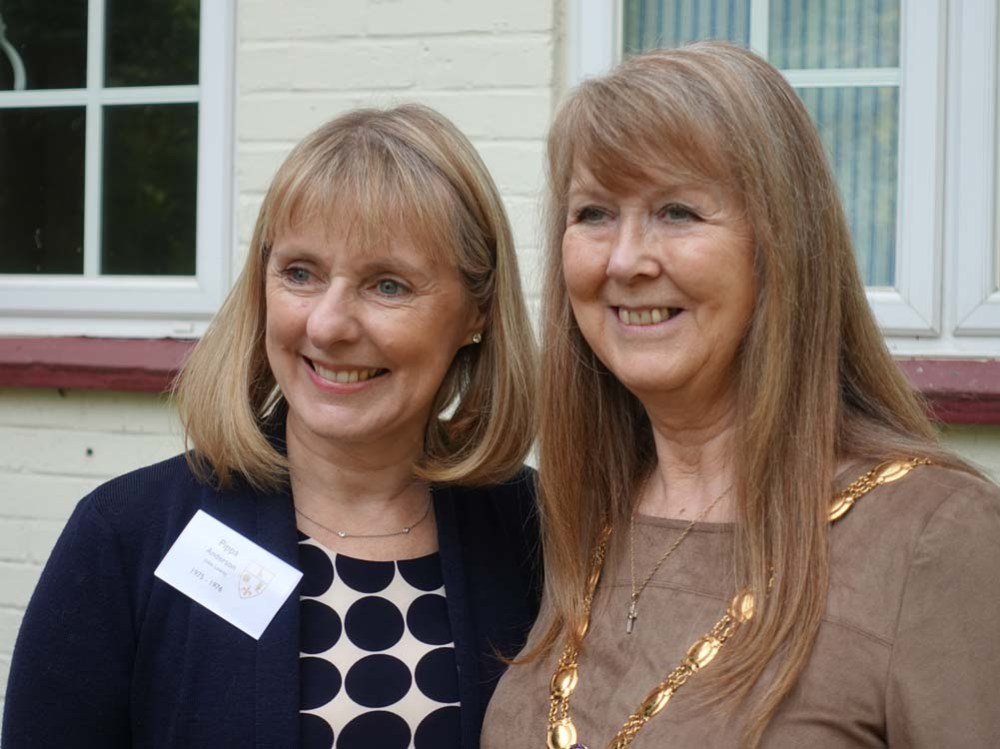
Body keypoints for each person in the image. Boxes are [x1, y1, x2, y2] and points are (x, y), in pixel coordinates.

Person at [481, 42, 1000, 748]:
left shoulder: (932, 536)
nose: (627, 259)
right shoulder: (585, 516)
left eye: (678, 212)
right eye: (595, 213)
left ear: (781, 243)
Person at [3, 104, 541, 749]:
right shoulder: (130, 535)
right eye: (300, 274)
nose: (327, 325)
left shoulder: (541, 535)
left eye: (388, 285)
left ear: (475, 312)